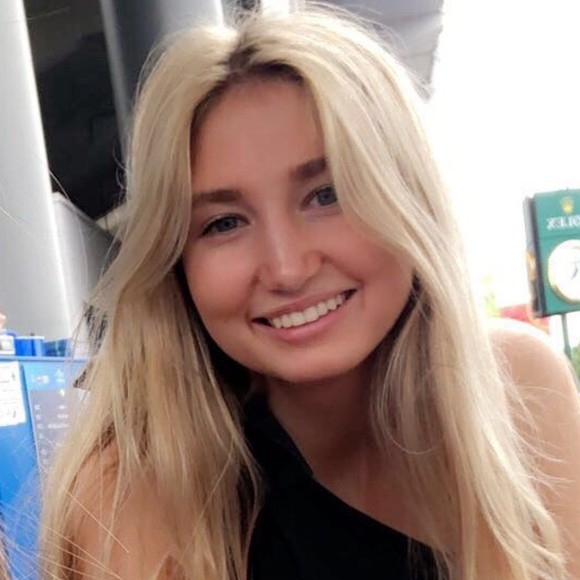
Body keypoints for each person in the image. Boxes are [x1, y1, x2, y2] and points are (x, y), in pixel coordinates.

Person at [40, 5, 580, 579]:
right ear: (175, 263)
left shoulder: (517, 390)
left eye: (327, 194)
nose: (287, 268)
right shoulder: (131, 495)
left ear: (408, 198)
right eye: (224, 223)